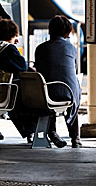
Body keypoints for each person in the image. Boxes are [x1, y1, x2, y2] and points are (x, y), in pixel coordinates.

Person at [34, 15, 82, 148]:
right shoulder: (71, 48)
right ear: (67, 33)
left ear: (50, 30)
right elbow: (74, 68)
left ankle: (52, 132)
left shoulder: (40, 48)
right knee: (75, 88)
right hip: (68, 93)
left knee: (49, 88)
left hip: (46, 94)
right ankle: (75, 138)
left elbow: (39, 69)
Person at [0, 19, 36, 141]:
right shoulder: (9, 50)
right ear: (11, 35)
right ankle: (31, 132)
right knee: (31, 100)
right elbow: (22, 66)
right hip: (10, 91)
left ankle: (29, 132)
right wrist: (13, 46)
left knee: (16, 107)